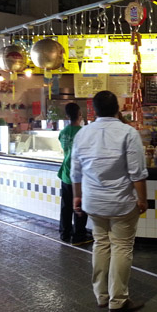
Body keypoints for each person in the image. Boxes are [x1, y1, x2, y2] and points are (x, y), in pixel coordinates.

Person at [71, 91, 148, 312]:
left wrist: (77, 196)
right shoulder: (128, 133)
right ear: (118, 108)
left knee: (101, 244)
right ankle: (118, 300)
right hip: (121, 203)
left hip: (93, 202)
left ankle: (102, 296)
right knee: (122, 247)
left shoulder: (83, 134)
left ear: (93, 110)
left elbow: (76, 171)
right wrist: (142, 199)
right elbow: (137, 173)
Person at [57, 103, 90, 246]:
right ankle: (79, 235)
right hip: (80, 175)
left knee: (66, 206)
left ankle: (64, 233)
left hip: (65, 172)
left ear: (67, 116)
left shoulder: (63, 132)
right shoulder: (83, 132)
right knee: (79, 205)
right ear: (80, 114)